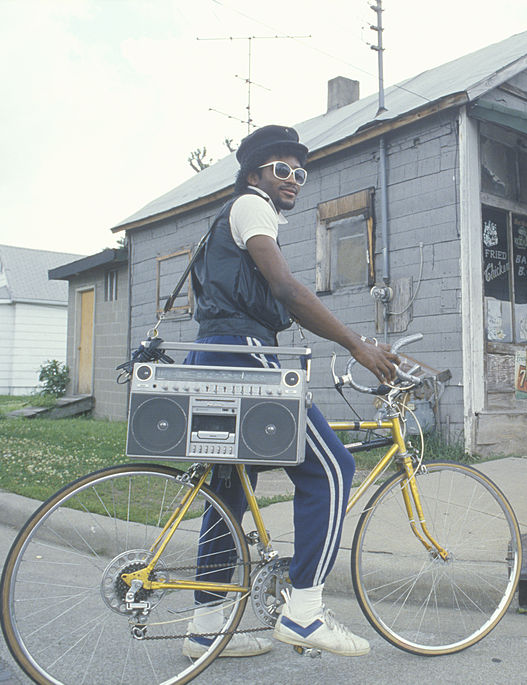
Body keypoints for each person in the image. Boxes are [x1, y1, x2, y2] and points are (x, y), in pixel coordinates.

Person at [182, 124, 398, 659]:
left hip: (217, 354)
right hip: (243, 351)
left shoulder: (236, 219)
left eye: (299, 172)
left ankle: (206, 626)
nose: (293, 180)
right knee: (331, 468)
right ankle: (304, 614)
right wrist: (355, 344)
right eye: (282, 169)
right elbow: (285, 289)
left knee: (230, 488)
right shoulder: (250, 207)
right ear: (255, 174)